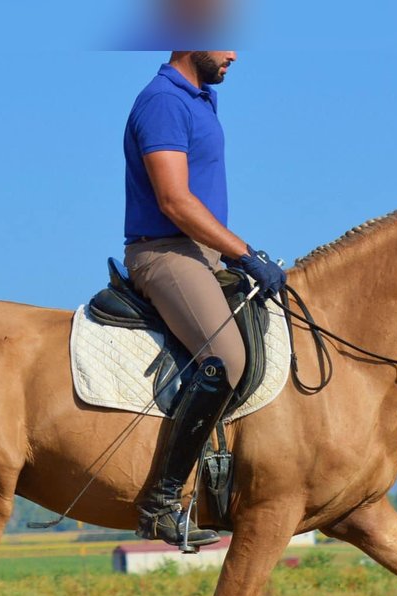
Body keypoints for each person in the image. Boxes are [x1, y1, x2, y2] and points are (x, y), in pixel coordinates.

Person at [123, 50, 286, 547]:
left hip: (204, 255)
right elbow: (173, 200)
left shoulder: (202, 98)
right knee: (226, 358)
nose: (235, 52)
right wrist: (243, 252)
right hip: (166, 253)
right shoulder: (163, 103)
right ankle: (162, 502)